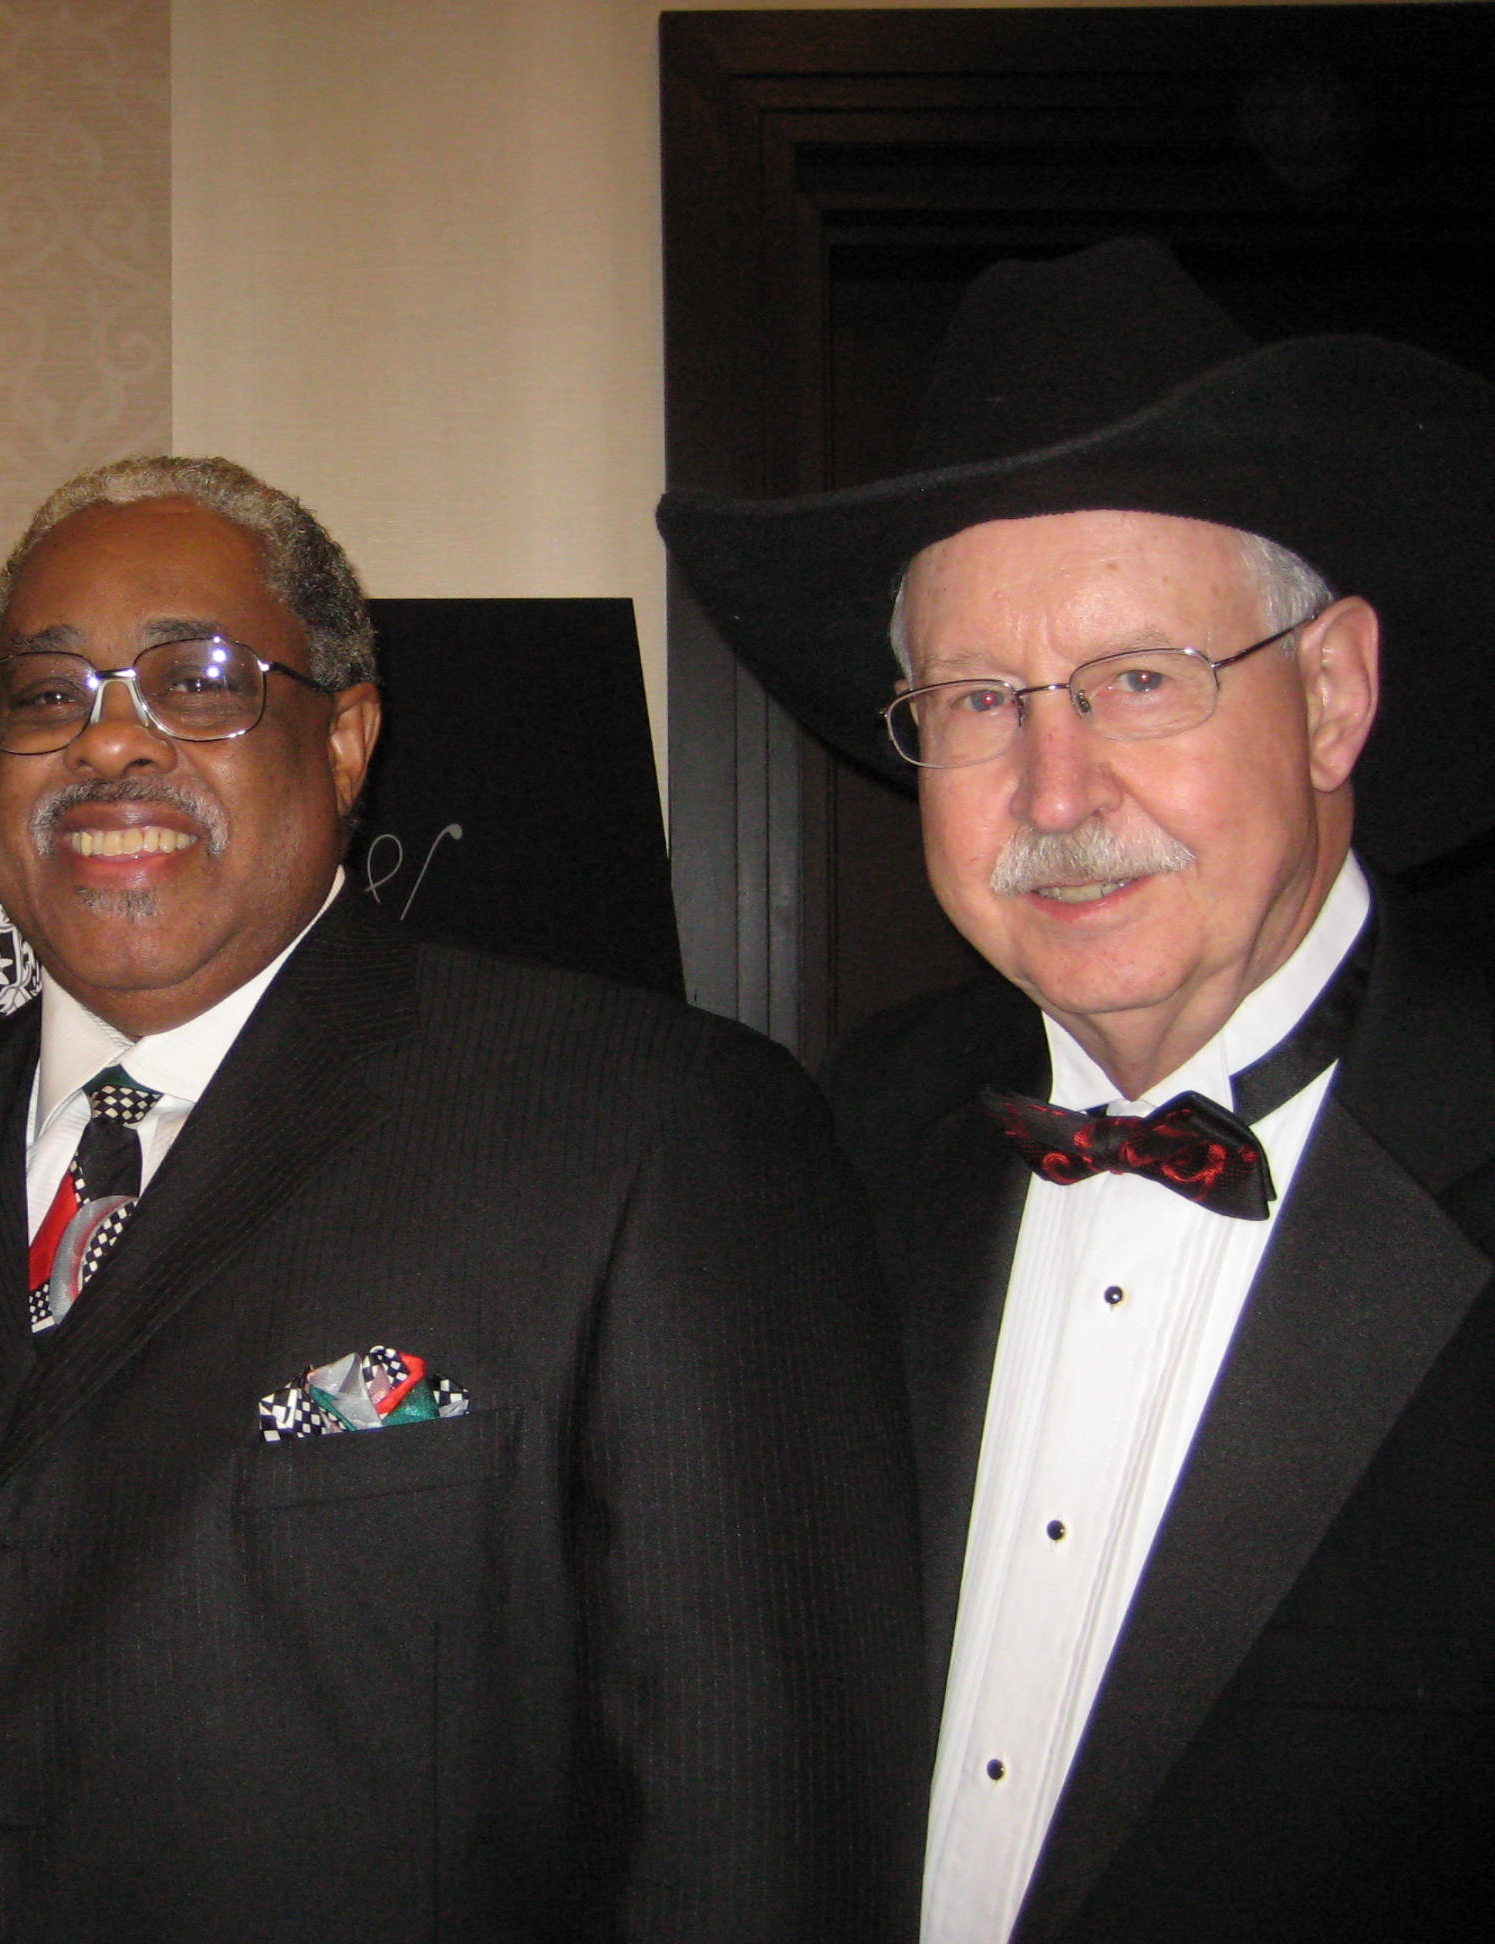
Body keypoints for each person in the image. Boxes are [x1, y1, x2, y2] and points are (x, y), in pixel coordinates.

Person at [0, 455, 922, 1941]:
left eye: (198, 682)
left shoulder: (645, 1133)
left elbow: (754, 1839)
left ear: (345, 738)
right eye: (47, 694)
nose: (110, 749)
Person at [658, 237, 1495, 1941]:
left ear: (1330, 692)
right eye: (978, 700)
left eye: (1134, 679)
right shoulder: (832, 1140)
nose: (1054, 786)